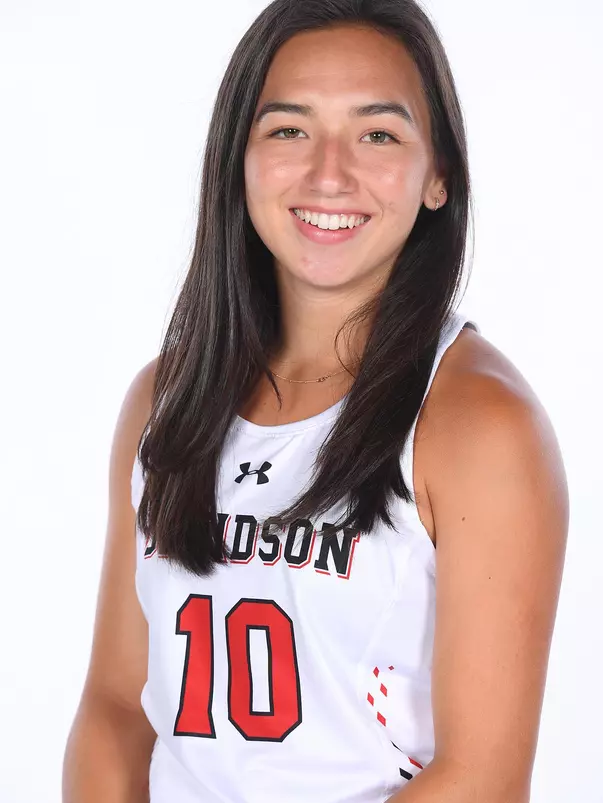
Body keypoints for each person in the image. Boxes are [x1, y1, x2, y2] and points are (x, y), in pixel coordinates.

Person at [62, 1, 568, 801]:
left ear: (438, 174)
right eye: (289, 129)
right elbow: (117, 708)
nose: (328, 174)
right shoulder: (165, 398)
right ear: (238, 157)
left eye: (377, 134)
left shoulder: (478, 423)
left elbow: (482, 778)